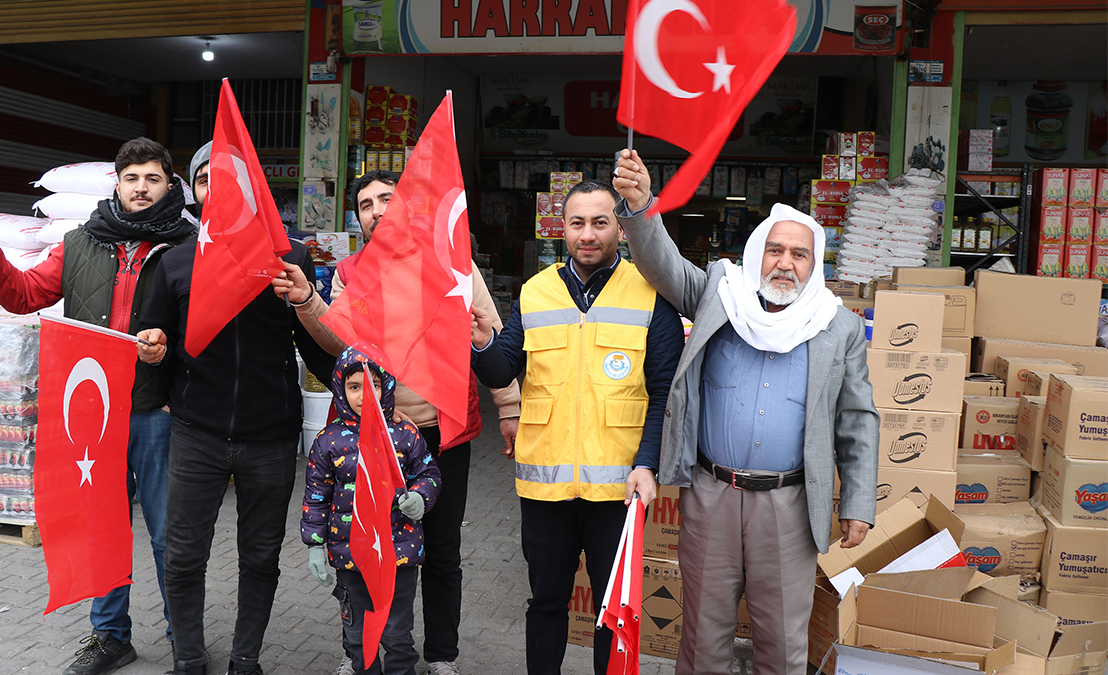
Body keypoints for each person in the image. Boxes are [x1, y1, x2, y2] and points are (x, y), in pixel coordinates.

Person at [611, 149, 879, 675]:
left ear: (814, 263)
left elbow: (857, 420)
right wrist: (641, 205)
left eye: (799, 254)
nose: (785, 262)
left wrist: (860, 502)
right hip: (711, 496)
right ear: (757, 253)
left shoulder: (838, 326)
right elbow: (662, 265)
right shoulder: (721, 293)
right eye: (775, 250)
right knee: (701, 639)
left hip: (790, 507)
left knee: (781, 645)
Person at [0, 137, 196, 675]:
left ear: (170, 186)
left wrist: (173, 353)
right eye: (132, 178)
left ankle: (184, 640)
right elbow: (22, 294)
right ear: (117, 185)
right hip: (96, 420)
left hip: (159, 414)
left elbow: (210, 330)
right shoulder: (80, 243)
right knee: (100, 527)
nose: (142, 188)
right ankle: (110, 638)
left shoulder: (189, 247)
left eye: (153, 178)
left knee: (170, 534)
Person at [296, 169, 522, 675]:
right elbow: (339, 342)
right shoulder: (350, 272)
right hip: (374, 439)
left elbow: (490, 335)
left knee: (442, 551)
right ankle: (363, 649)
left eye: (386, 198)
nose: (377, 209)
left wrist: (508, 406)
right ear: (359, 218)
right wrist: (309, 302)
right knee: (363, 550)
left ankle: (441, 655)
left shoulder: (452, 263)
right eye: (366, 204)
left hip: (442, 434)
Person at [468, 178, 683, 675]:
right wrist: (482, 345)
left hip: (618, 491)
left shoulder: (650, 294)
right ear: (561, 229)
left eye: (601, 222)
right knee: (546, 603)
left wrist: (648, 464)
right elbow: (504, 370)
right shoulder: (534, 292)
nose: (588, 234)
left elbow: (665, 392)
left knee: (613, 613)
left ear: (621, 230)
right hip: (546, 489)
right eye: (577, 223)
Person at [136, 141, 336, 675]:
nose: (216, 193)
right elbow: (157, 345)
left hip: (270, 436)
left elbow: (323, 351)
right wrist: (152, 348)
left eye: (230, 183)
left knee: (260, 556)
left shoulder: (288, 258)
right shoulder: (176, 262)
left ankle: (245, 657)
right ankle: (188, 656)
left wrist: (303, 300)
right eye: (205, 182)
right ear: (194, 192)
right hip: (196, 433)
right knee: (182, 554)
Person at [301, 348, 441, 675]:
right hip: (350, 555)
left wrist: (420, 497)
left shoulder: (404, 435)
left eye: (373, 384)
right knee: (357, 635)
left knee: (396, 633)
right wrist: (315, 546)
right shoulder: (327, 441)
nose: (364, 394)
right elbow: (316, 497)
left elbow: (428, 474)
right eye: (354, 386)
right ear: (340, 388)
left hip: (398, 555)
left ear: (386, 387)